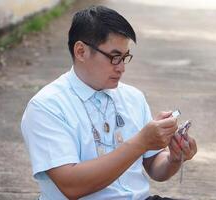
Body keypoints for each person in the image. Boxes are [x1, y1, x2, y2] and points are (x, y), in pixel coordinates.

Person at [21, 5, 197, 200]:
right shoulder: (47, 106)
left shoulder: (133, 97)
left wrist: (174, 158)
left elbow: (155, 165)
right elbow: (71, 186)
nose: (121, 68)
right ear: (80, 51)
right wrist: (140, 142)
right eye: (114, 57)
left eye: (125, 57)